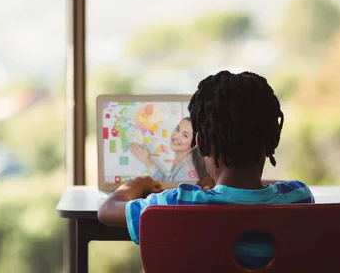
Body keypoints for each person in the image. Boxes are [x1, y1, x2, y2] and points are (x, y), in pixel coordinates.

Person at [98, 70, 314, 269]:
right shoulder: (299, 198)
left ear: (199, 145)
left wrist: (136, 185)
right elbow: (265, 188)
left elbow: (107, 211)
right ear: (271, 140)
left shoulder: (179, 202)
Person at [128, 117, 206, 181]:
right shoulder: (181, 161)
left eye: (185, 135)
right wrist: (146, 160)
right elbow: (167, 183)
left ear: (194, 144)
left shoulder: (188, 172)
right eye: (177, 129)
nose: (176, 136)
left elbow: (168, 190)